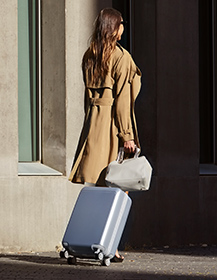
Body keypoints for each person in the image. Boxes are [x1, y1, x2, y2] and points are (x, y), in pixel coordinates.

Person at [67, 8, 142, 263]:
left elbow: (88, 96)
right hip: (113, 126)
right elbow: (123, 101)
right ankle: (110, 245)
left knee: (100, 185)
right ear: (114, 26)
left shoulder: (91, 55)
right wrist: (127, 135)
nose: (125, 27)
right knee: (121, 186)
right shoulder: (121, 57)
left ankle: (93, 241)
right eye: (122, 23)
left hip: (93, 124)